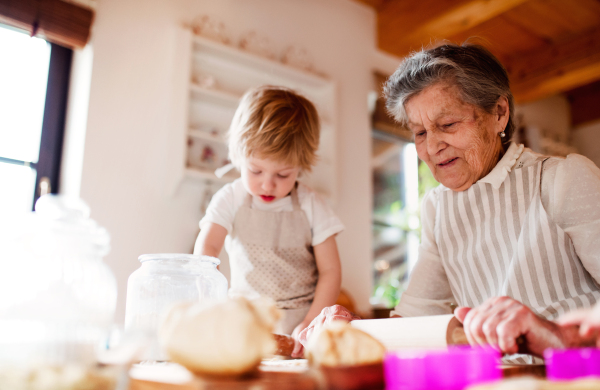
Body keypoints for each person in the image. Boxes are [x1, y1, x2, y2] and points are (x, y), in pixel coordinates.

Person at [299, 43, 600, 362]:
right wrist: (352, 331)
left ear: (499, 113)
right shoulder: (438, 209)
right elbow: (413, 319)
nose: (432, 147)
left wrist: (557, 336)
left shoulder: (563, 178)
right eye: (419, 133)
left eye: (448, 125)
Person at [194, 85, 344, 357]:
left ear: (302, 165)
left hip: (302, 322)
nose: (267, 184)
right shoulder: (230, 198)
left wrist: (310, 323)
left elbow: (331, 271)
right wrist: (210, 302)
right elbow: (207, 252)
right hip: (246, 320)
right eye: (255, 170)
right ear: (239, 156)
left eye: (283, 175)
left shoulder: (312, 204)